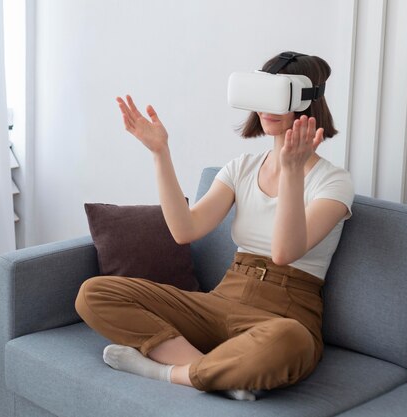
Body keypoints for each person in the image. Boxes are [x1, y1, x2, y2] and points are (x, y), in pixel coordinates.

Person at [75, 52, 354, 401]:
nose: (264, 108)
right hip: (221, 301)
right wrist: (160, 153)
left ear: (305, 102)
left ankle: (165, 371)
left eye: (276, 97)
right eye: (260, 95)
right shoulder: (243, 167)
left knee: (291, 342)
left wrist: (292, 173)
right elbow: (184, 230)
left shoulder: (334, 182)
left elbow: (284, 252)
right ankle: (217, 371)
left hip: (284, 314)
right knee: (94, 293)